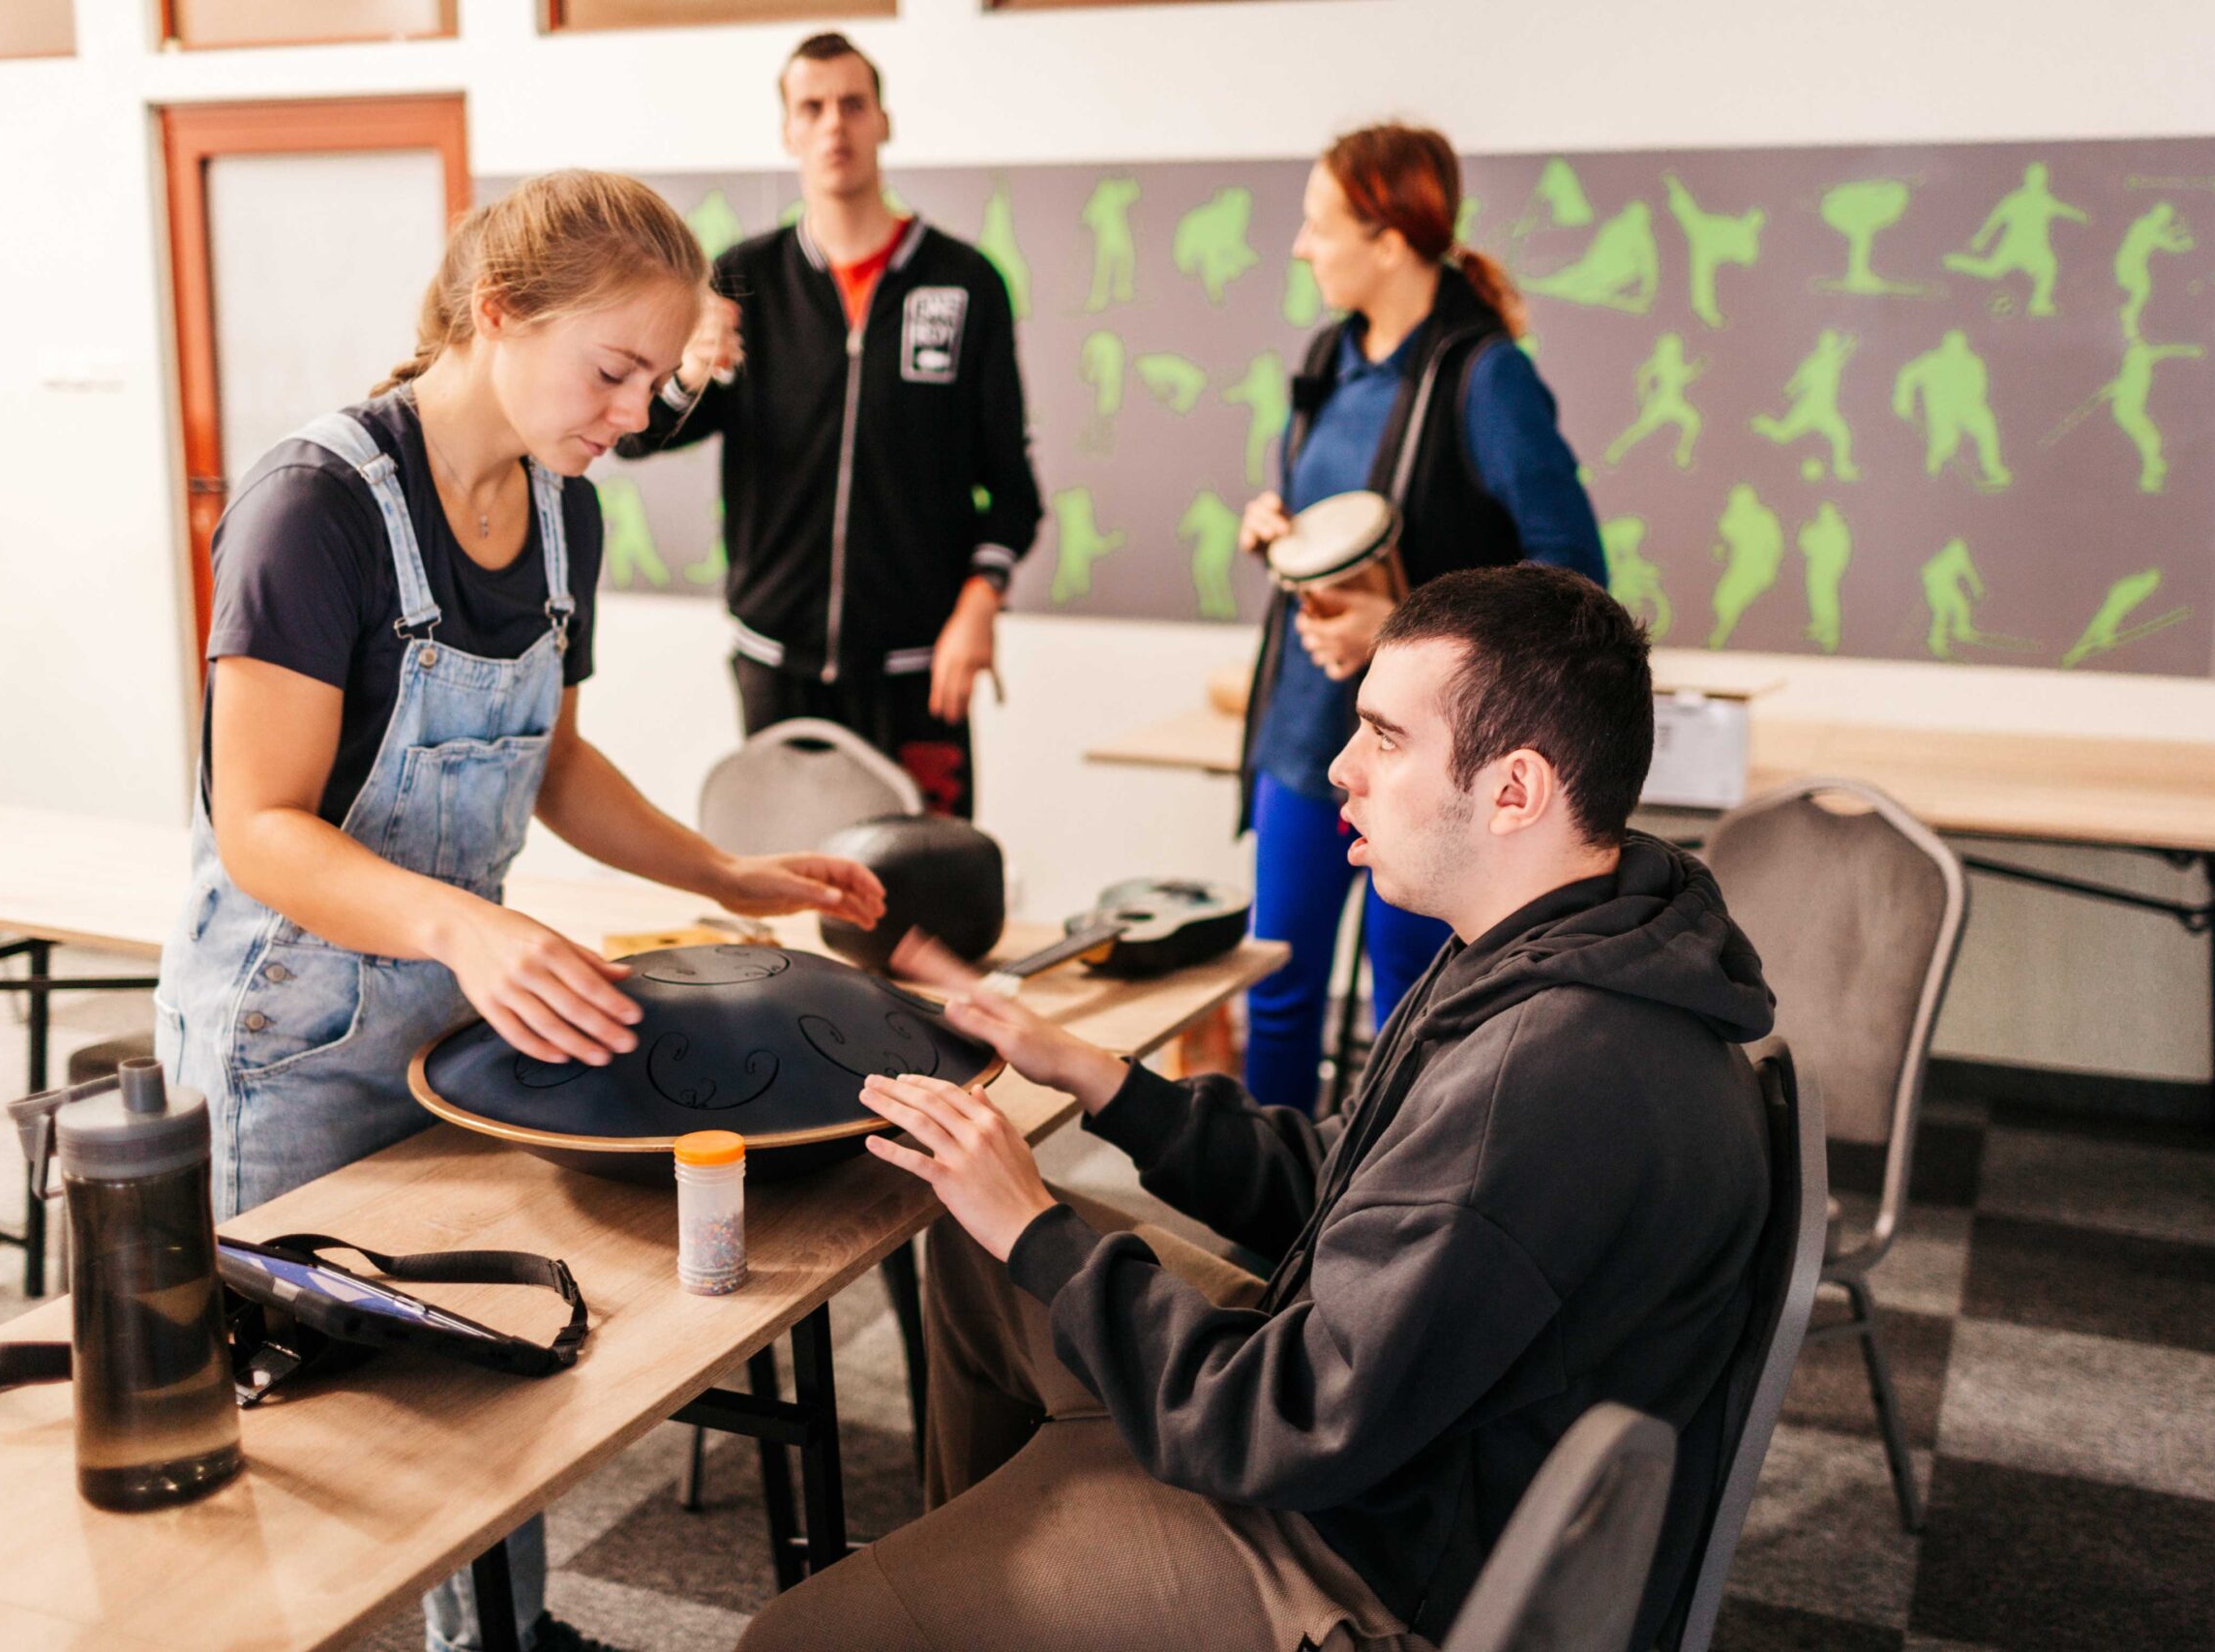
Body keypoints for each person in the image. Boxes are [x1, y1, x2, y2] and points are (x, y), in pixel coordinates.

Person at [738, 565, 1775, 1652]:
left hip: (1370, 1556)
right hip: (1371, 1433)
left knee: (791, 1641)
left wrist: (1038, 1226)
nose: (1339, 767)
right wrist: (1101, 1077)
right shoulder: (1570, 939)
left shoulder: (1544, 1078)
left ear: (1514, 790)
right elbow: (1348, 1183)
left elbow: (1288, 1422)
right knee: (975, 1248)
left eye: (1385, 738)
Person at [153, 169, 885, 1652]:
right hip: (285, 1042)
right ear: (498, 314)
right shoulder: (312, 506)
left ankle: (505, 1635)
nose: (635, 411)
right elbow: (259, 826)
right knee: (307, 1426)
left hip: (443, 1014)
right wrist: (465, 924)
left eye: (656, 381)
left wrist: (725, 873)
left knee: (479, 1357)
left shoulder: (565, 518)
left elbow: (554, 758)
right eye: (613, 370)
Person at [1239, 122, 1606, 1114]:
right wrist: (1278, 530)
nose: (1301, 248)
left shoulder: (1488, 377)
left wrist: (1399, 634)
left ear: (1390, 239)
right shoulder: (1330, 355)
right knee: (1275, 991)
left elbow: (1573, 574)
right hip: (1304, 735)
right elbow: (1339, 531)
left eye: (1318, 226)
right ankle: (1267, 1199)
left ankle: (1396, 1198)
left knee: (1413, 1001)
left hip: (1433, 759)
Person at [615, 31, 1043, 819]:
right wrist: (689, 371)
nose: (833, 125)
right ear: (788, 131)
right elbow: (637, 436)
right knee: (788, 878)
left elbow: (1015, 492)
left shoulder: (965, 283)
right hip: (776, 667)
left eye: (852, 104)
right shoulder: (741, 280)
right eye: (811, 108)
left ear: (884, 121)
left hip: (919, 671)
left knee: (924, 882)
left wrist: (980, 603)